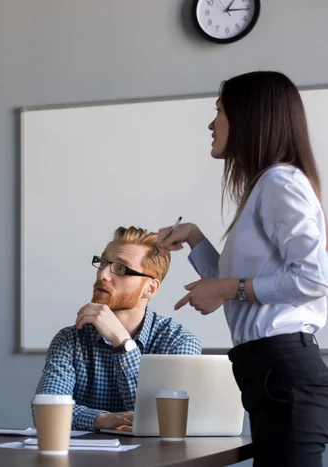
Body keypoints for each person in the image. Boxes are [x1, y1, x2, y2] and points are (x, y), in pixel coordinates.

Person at [157, 71, 328, 467]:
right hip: (266, 368)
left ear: (250, 117)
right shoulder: (265, 186)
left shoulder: (280, 183)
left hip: (281, 366)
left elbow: (314, 278)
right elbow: (243, 282)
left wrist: (227, 289)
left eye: (219, 111)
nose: (211, 123)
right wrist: (196, 239)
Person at [34, 226, 201, 431]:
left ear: (150, 288)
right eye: (103, 262)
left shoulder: (178, 342)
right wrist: (101, 419)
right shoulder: (70, 339)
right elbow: (46, 411)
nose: (103, 274)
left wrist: (123, 343)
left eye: (121, 269)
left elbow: (162, 421)